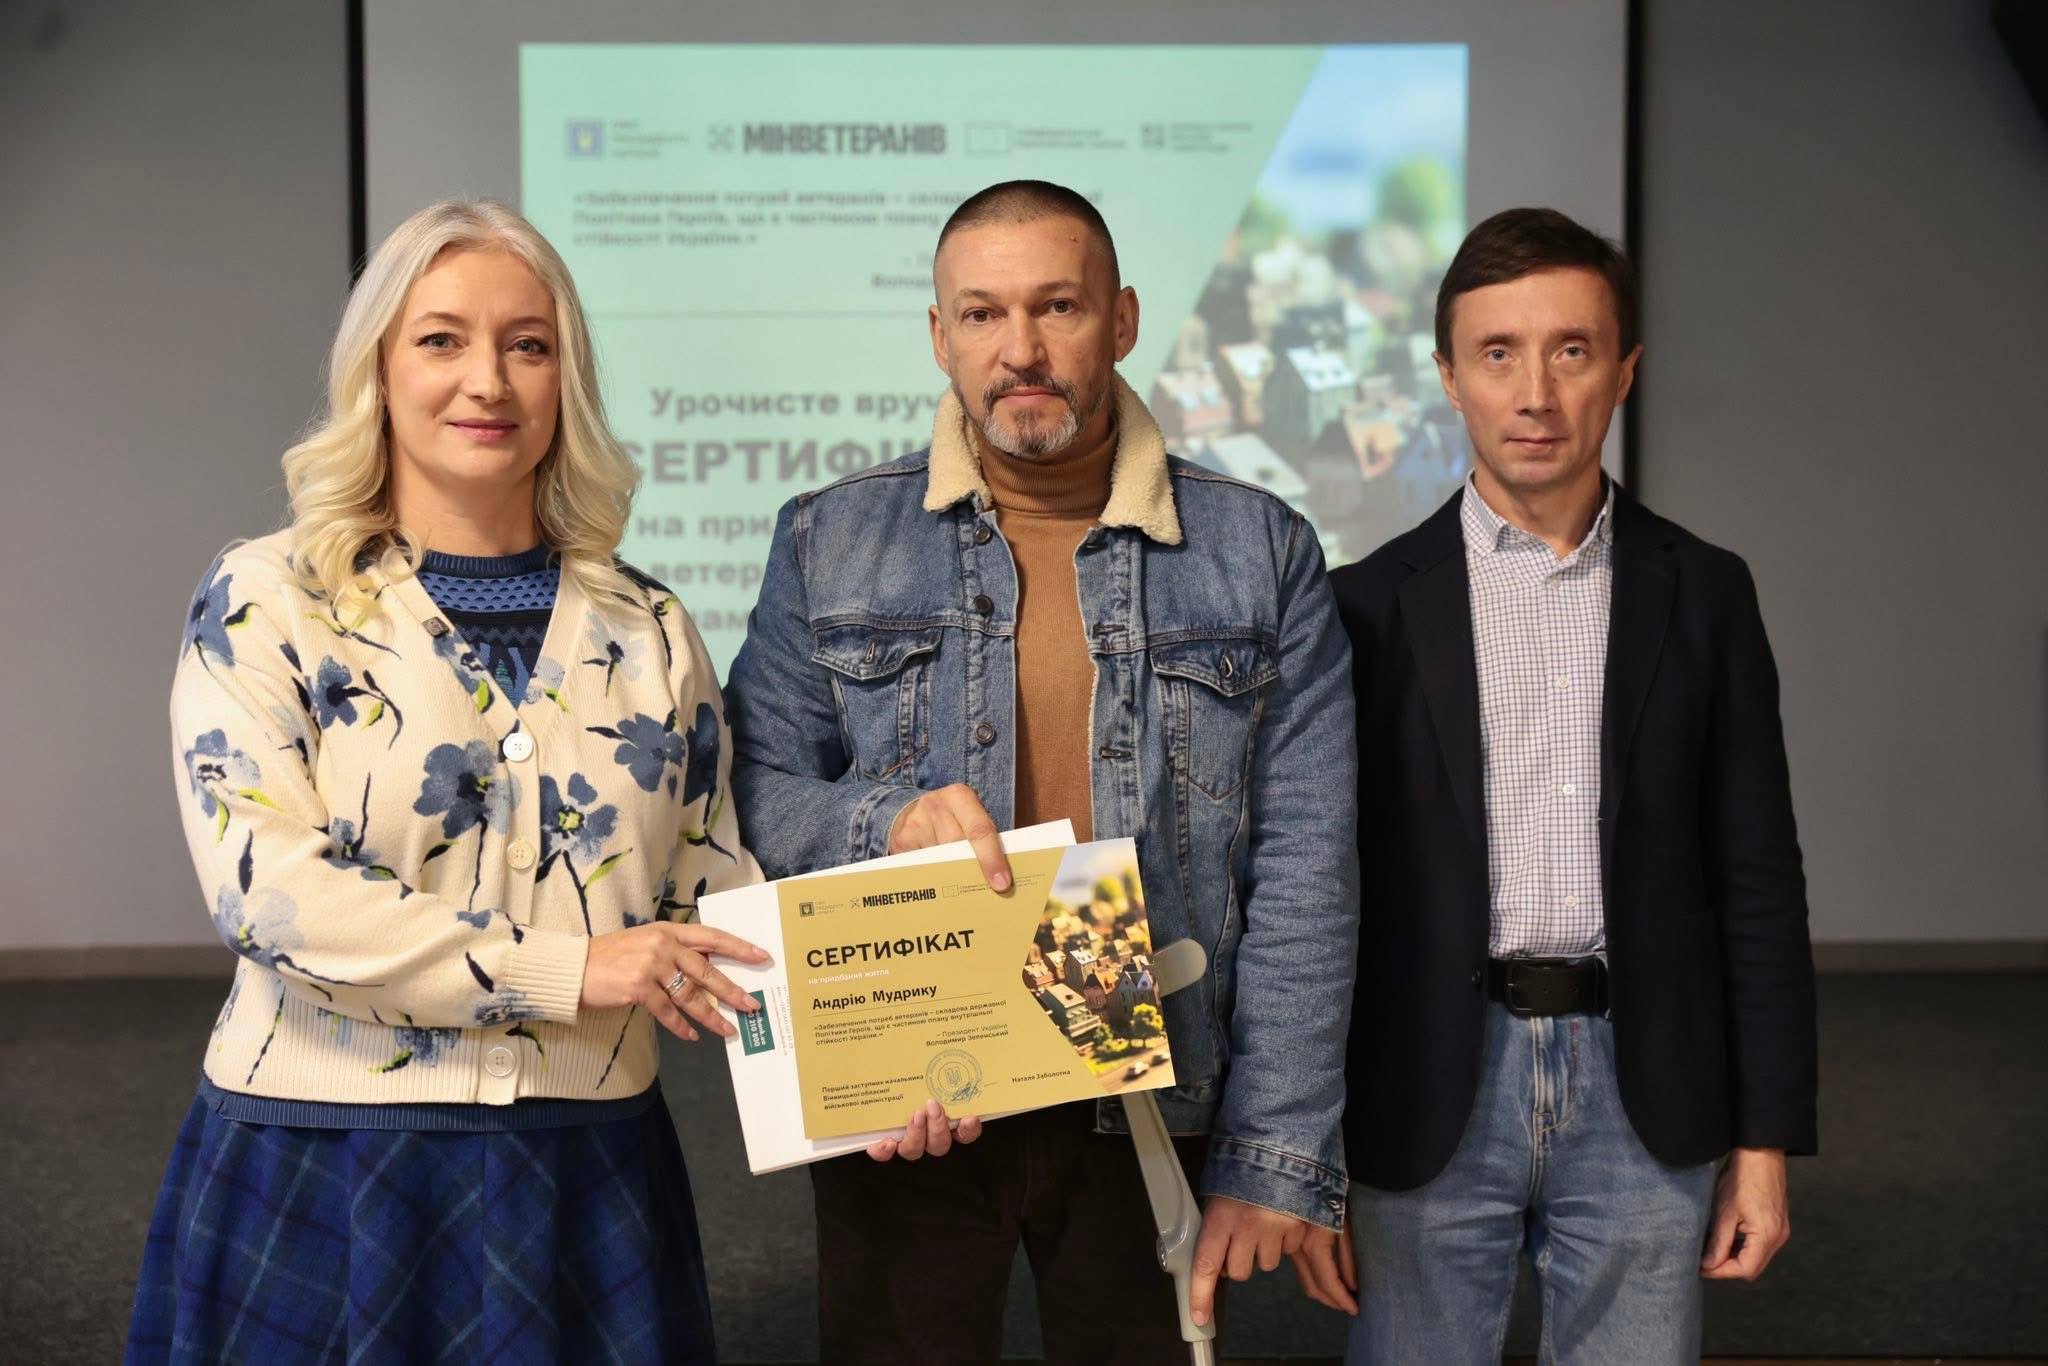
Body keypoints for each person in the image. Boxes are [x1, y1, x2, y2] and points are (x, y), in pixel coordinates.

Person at [724, 179, 1359, 1364]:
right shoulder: (826, 537)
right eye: (981, 314)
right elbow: (742, 798)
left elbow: (1306, 871)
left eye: (1056, 307)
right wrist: (883, 821)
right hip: (912, 1095)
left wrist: (1273, 1153)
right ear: (939, 335)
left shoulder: (1259, 549)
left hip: (1148, 1091)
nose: (1019, 349)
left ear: (1121, 320)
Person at [127, 199, 766, 1364]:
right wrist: (570, 969)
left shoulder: (650, 623)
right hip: (323, 1160)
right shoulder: (265, 597)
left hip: (588, 1163)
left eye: (528, 345)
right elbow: (270, 895)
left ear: (566, 377)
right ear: (378, 368)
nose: (489, 380)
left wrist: (879, 1057)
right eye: (441, 340)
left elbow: (713, 896)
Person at [1323, 207, 1819, 1362]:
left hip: (1641, 1084)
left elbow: (1756, 881)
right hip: (1423, 1079)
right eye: (1497, 354)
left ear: (1624, 372)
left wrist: (1763, 1142)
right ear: (1447, 377)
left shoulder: (1705, 592)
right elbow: (1317, 890)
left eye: (1571, 351)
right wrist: (1299, 1155)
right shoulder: (1363, 607)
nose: (1534, 394)